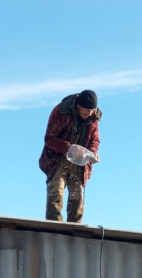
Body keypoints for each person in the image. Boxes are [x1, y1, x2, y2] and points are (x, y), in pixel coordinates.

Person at [39, 89, 101, 223]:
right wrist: (68, 148)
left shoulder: (93, 118)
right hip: (57, 160)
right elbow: (49, 138)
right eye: (86, 110)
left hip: (79, 163)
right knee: (55, 195)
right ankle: (54, 228)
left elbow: (95, 140)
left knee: (77, 198)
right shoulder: (61, 112)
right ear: (78, 106)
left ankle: (75, 230)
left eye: (92, 110)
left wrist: (91, 153)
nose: (89, 113)